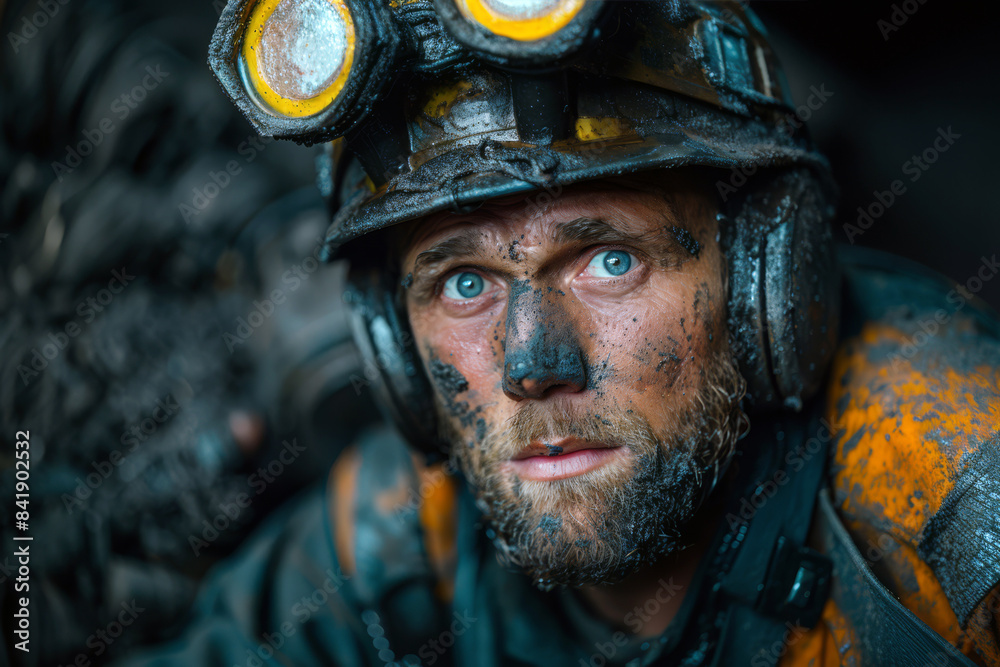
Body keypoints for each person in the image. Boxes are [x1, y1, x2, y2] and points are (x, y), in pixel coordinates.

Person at [119, 0, 1000, 665]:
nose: (533, 365)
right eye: (465, 284)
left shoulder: (943, 480)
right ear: (391, 344)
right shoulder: (403, 528)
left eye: (609, 260)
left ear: (771, 281)